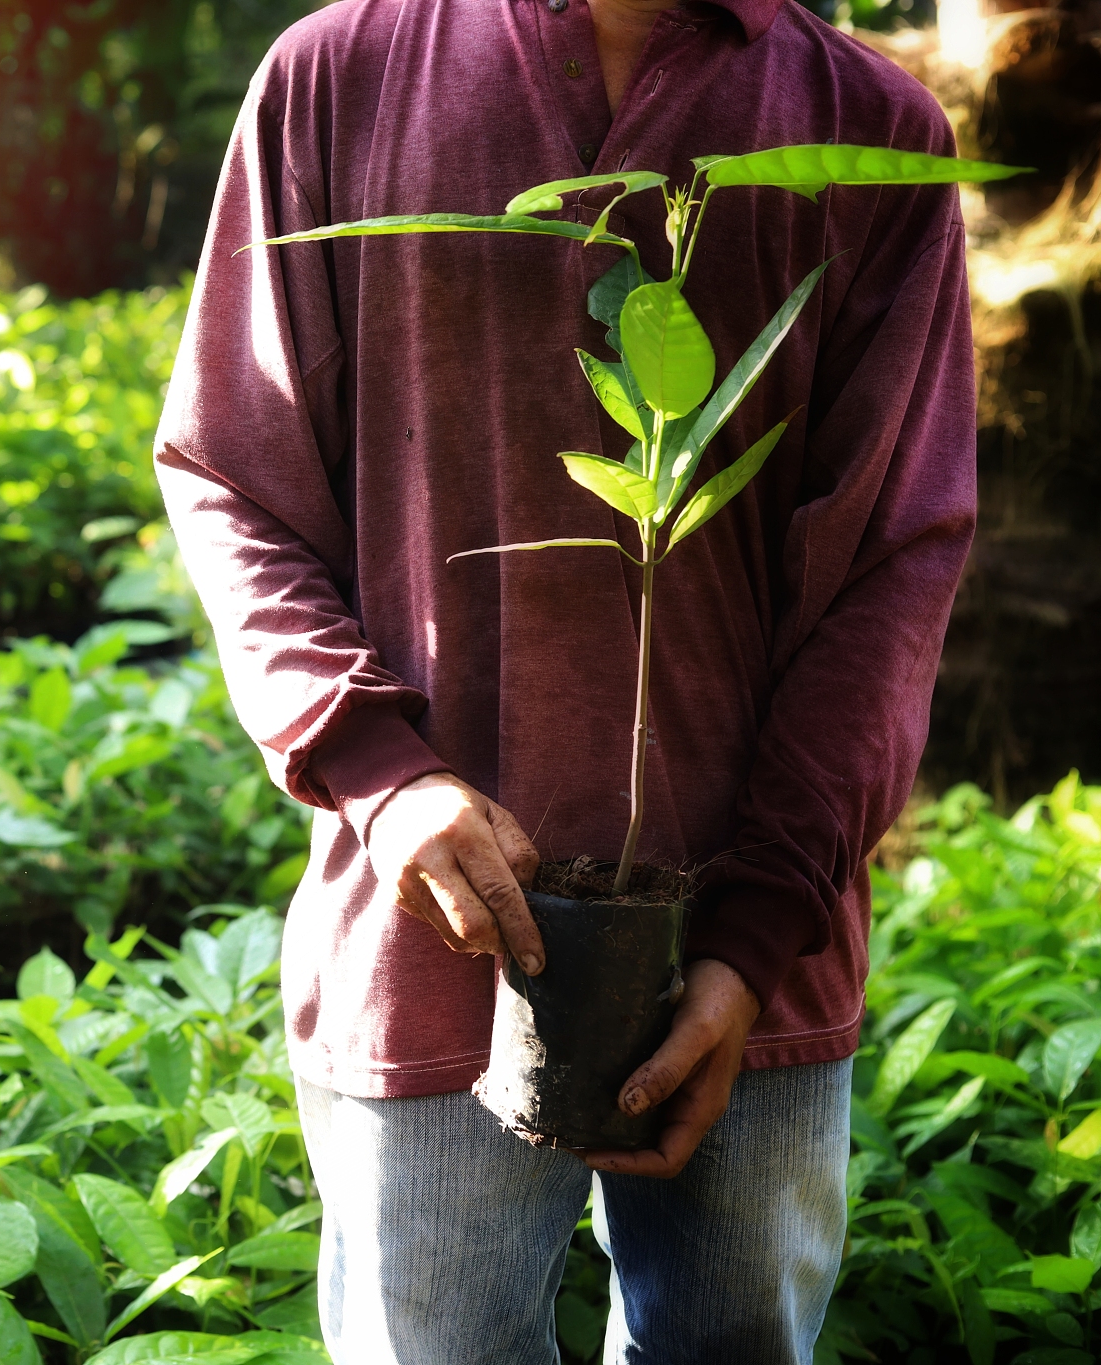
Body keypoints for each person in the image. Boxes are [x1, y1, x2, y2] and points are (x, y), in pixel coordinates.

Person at [153, 0, 977, 1360]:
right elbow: (231, 476)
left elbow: (896, 563)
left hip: (749, 949)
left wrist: (759, 922)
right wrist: (380, 769)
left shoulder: (869, 129)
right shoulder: (340, 75)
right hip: (426, 921)